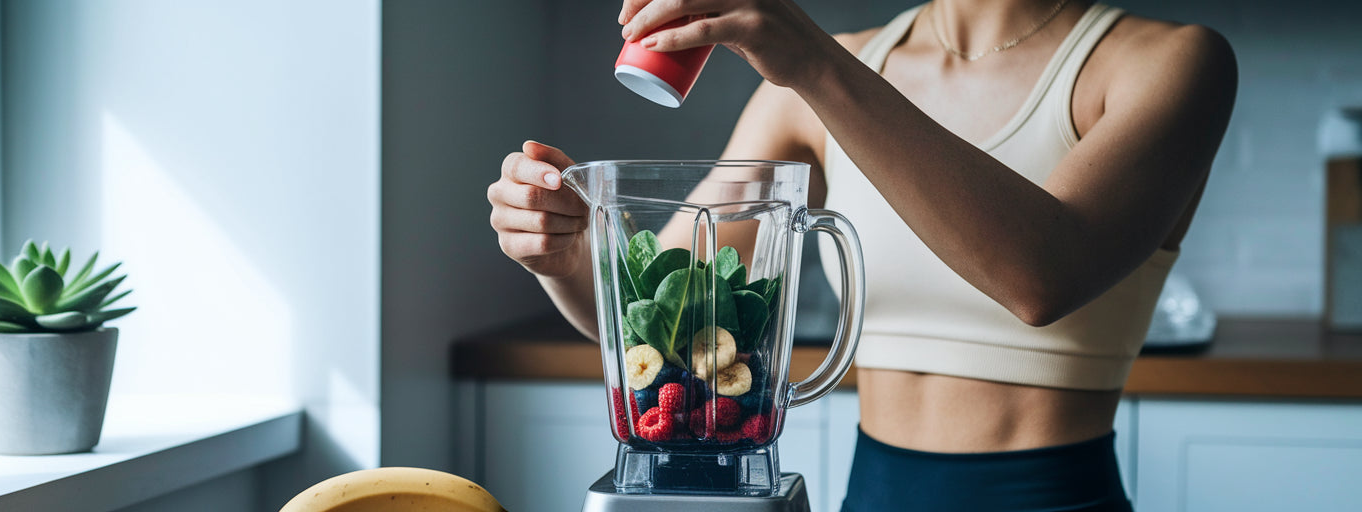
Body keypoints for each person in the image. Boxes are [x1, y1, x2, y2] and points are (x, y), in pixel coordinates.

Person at [487, 0, 1236, 510]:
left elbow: (1040, 276)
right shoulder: (818, 77)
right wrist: (562, 253)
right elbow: (663, 319)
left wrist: (813, 65)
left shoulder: (1173, 62)